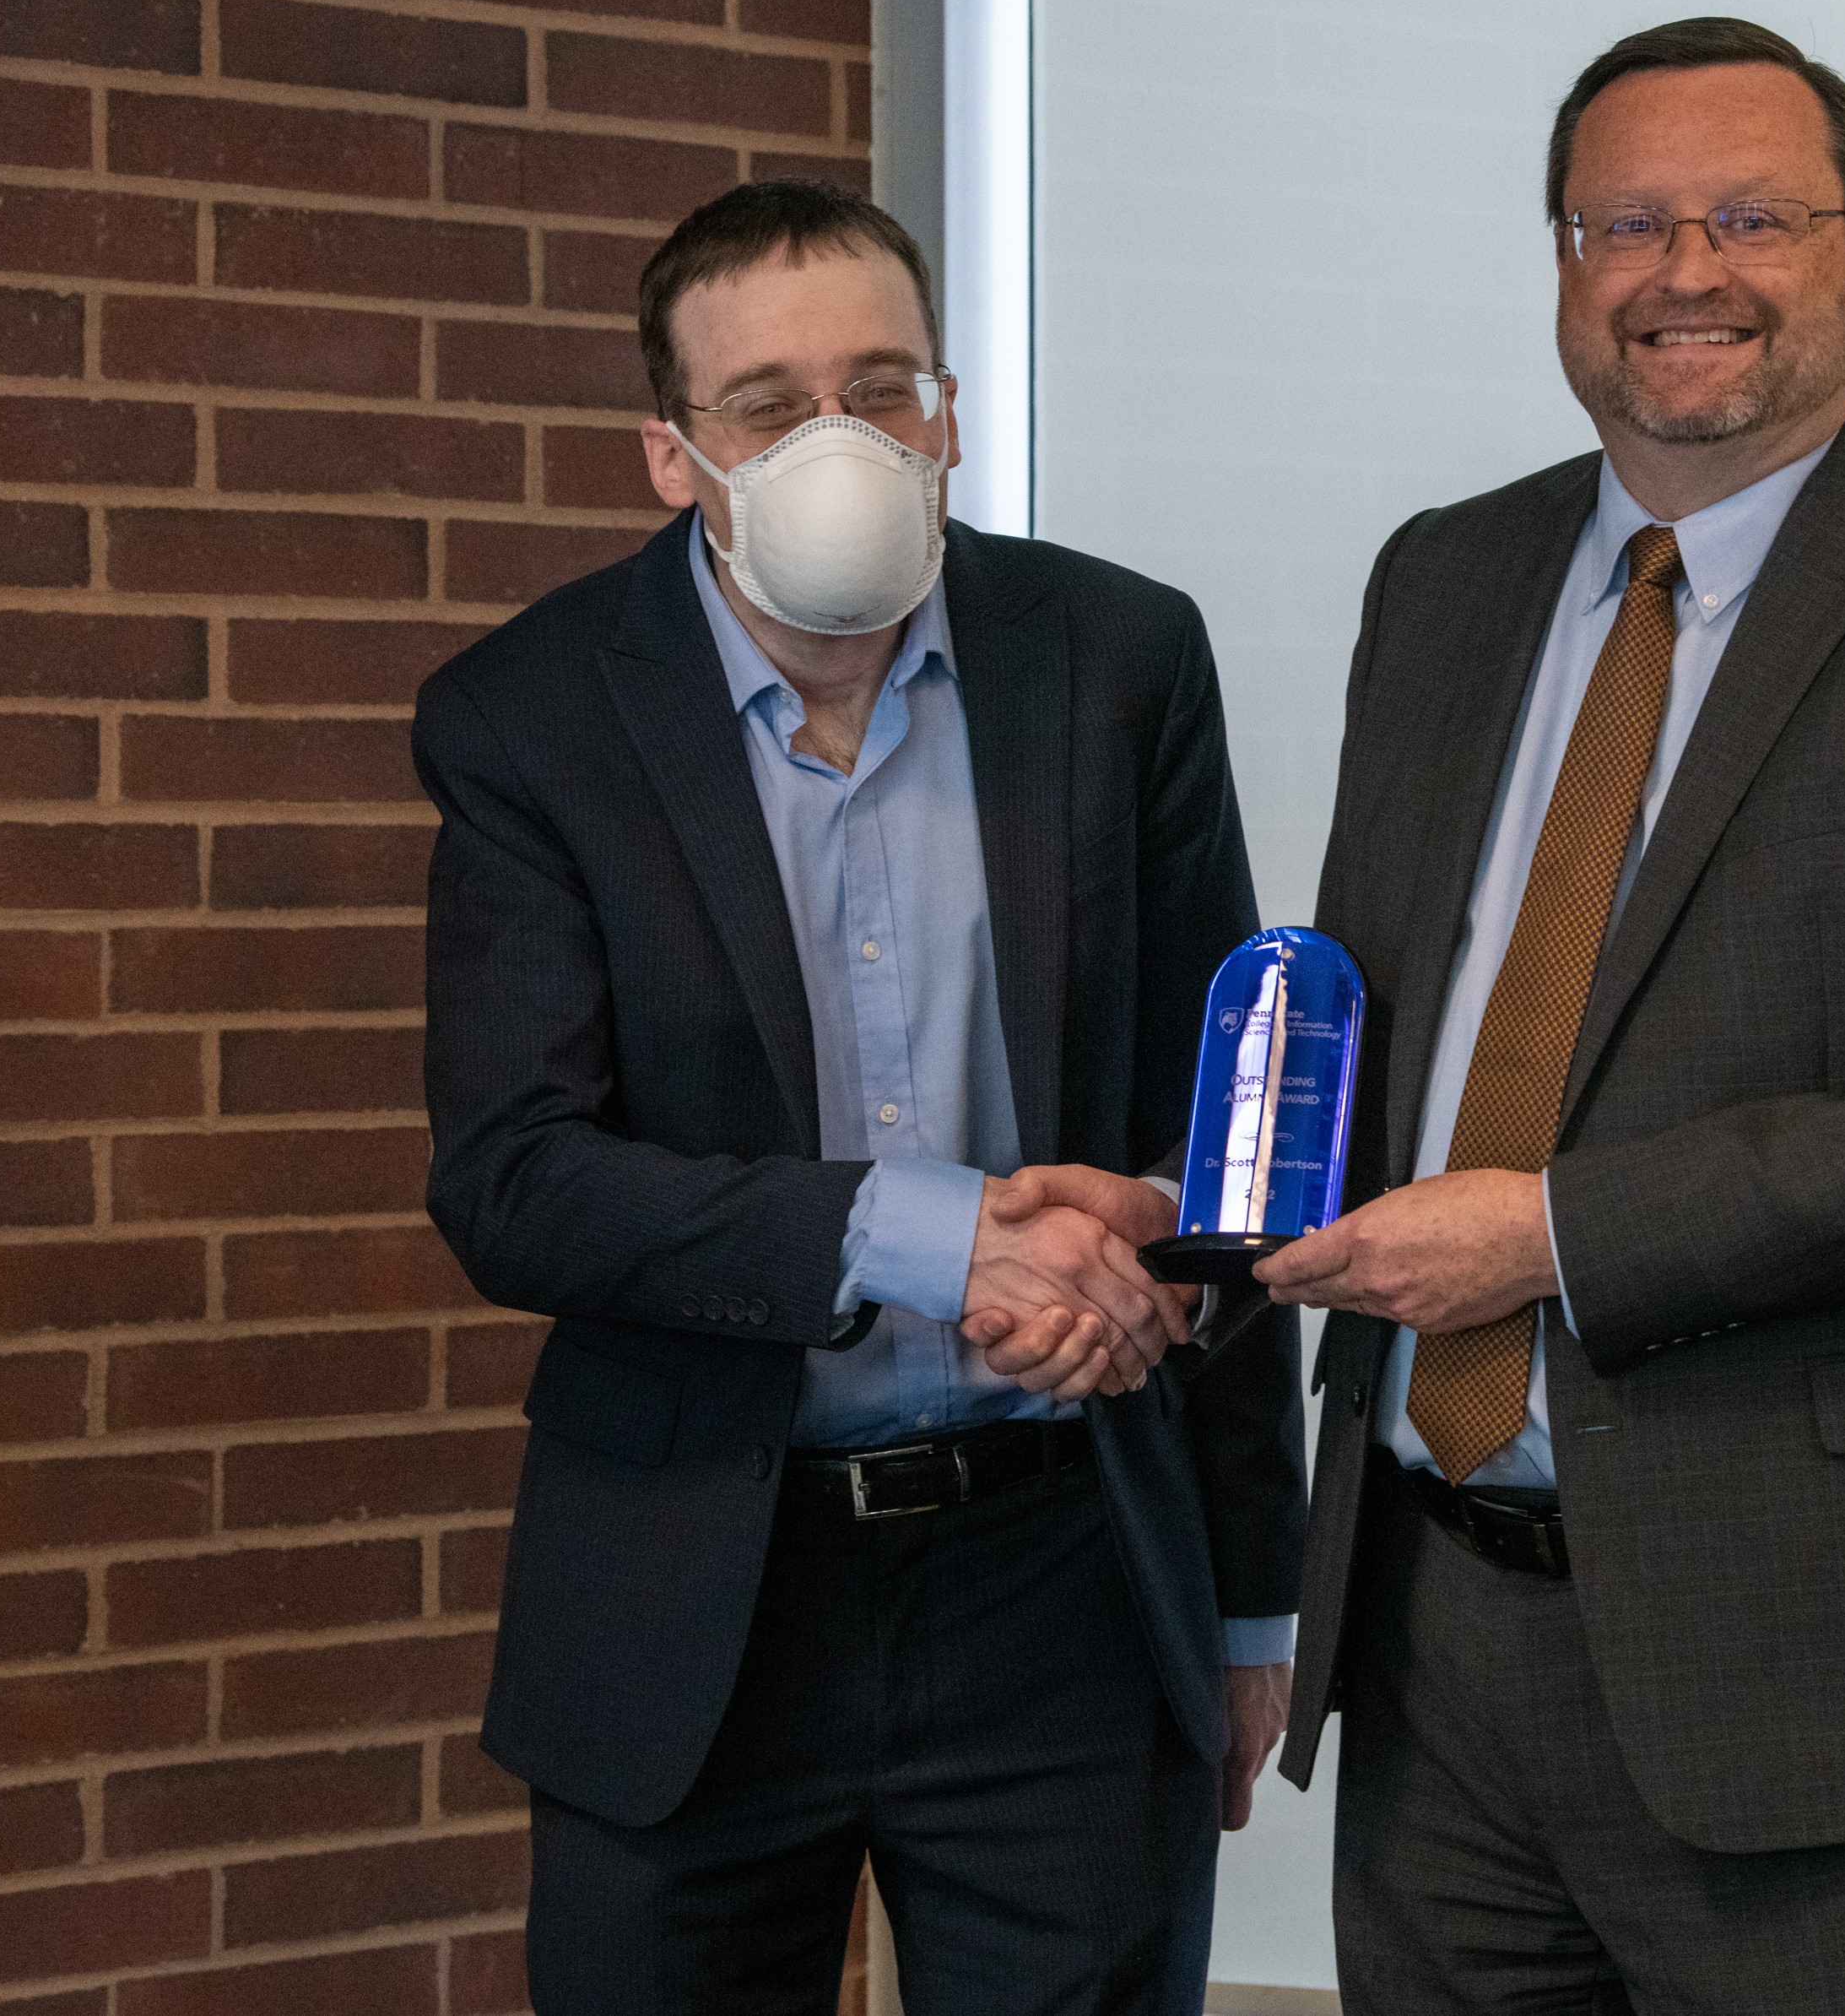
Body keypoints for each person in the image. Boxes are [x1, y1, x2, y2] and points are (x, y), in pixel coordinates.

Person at [1263, 19, 1845, 2013]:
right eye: (1624, 224)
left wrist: (1546, 1233)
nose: (1684, 271)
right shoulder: (1443, 579)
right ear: (1564, 265)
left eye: (1751, 216)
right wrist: (1207, 1193)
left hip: (1815, 1658)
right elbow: (1387, 1027)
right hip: (1429, 1634)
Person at [413, 180, 1302, 2016]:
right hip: (696, 1604)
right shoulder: (532, 717)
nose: (839, 440)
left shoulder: (1116, 662)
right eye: (765, 404)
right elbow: (517, 1183)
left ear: (950, 415)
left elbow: (1225, 1138)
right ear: (673, 457)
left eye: (883, 385)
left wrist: (1243, 1601)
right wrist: (945, 1236)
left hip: (1063, 1582)